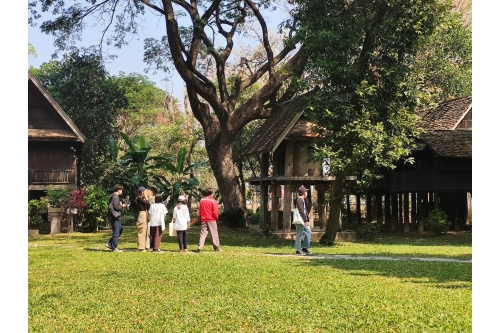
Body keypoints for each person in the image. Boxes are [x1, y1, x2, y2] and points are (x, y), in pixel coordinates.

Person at [196, 187, 222, 252]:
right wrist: (216, 218)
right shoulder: (213, 201)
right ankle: (216, 247)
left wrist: (201, 217)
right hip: (211, 219)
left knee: (203, 233)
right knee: (214, 233)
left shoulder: (202, 200)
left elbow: (200, 210)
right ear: (212, 193)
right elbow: (215, 212)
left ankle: (199, 247)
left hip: (204, 219)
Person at [106, 184, 128, 252]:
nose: (121, 191)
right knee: (116, 232)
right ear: (118, 190)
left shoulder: (112, 196)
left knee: (120, 230)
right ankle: (114, 247)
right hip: (115, 216)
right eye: (121, 190)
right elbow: (116, 207)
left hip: (114, 216)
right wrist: (123, 206)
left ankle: (110, 243)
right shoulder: (115, 196)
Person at [294, 186, 312, 255]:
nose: (307, 193)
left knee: (308, 232)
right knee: (299, 234)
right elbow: (301, 211)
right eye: (306, 191)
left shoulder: (303, 200)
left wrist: (306, 198)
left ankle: (305, 247)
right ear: (303, 192)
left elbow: (307, 208)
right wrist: (305, 220)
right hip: (300, 220)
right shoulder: (299, 200)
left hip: (303, 219)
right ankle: (298, 250)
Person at [135, 186, 151, 252]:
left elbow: (148, 205)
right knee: (142, 231)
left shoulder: (142, 198)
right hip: (142, 214)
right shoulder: (139, 198)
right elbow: (147, 203)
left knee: (145, 231)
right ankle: (141, 248)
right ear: (142, 192)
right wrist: (146, 197)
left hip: (145, 214)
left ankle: (143, 246)